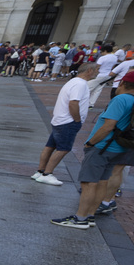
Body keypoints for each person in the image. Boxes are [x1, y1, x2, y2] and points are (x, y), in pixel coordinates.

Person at [52, 74, 134, 229]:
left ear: (123, 83)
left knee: (89, 182)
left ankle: (80, 218)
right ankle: (90, 216)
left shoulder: (121, 99)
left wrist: (91, 142)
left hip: (103, 147)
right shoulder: (132, 100)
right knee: (102, 181)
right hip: (118, 147)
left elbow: (108, 126)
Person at [33, 64, 95, 186]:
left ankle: (40, 171)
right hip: (68, 121)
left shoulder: (74, 82)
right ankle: (47, 174)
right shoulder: (80, 84)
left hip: (60, 119)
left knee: (50, 146)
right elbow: (73, 103)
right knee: (64, 148)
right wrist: (77, 120)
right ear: (89, 70)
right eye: (96, 70)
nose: (97, 72)